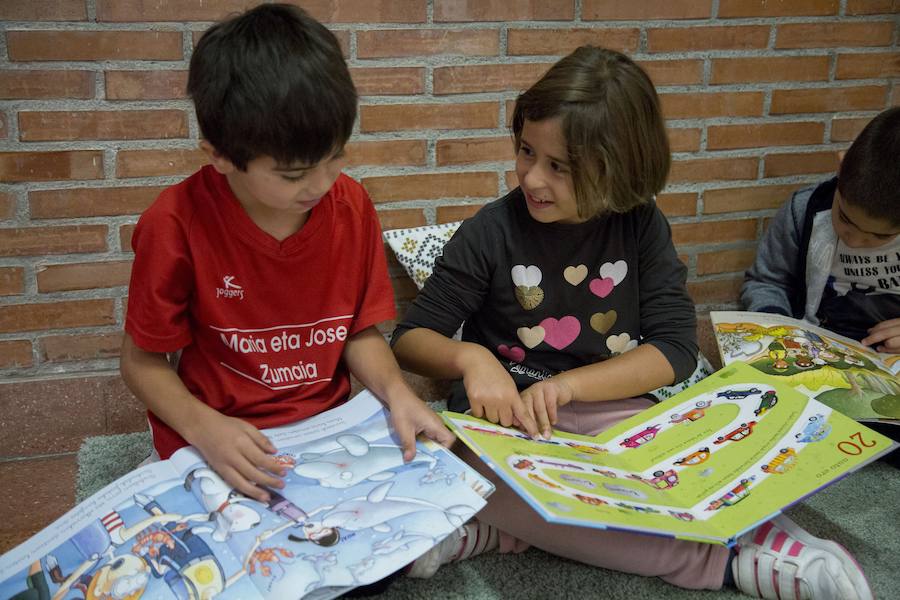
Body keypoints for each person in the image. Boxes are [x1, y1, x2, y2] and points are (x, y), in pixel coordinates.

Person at [391, 46, 874, 600]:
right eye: (526, 151)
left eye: (559, 167)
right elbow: (411, 340)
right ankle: (726, 563)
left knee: (692, 470)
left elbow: (674, 349)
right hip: (508, 425)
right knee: (463, 475)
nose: (531, 178)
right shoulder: (490, 231)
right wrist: (471, 359)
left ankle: (500, 529)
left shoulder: (642, 226)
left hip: (615, 415)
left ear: (618, 169)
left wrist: (570, 386)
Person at [120, 3, 451, 513]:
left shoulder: (352, 205)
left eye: (335, 158)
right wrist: (204, 427)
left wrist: (398, 394)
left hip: (326, 424)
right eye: (294, 175)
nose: (320, 185)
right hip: (218, 425)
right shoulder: (174, 223)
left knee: (401, 515)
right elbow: (142, 361)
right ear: (221, 156)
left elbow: (358, 332)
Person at [742, 107, 900, 353]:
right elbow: (767, 281)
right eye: (845, 219)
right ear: (841, 167)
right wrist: (774, 324)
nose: (855, 241)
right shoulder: (804, 209)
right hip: (811, 344)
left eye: (880, 236)